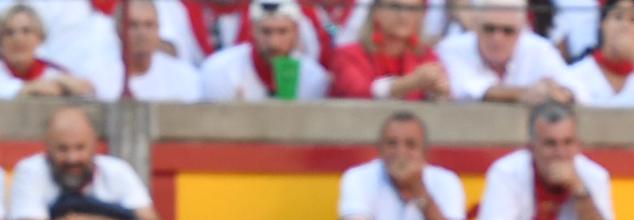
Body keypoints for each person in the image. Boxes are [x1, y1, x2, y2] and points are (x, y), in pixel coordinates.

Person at [8, 106, 164, 220]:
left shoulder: (118, 171)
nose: (72, 158)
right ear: (47, 148)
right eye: (63, 149)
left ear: (95, 145)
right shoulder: (31, 170)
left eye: (80, 147)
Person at [478, 100, 616, 220]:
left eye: (568, 143)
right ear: (531, 147)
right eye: (550, 144)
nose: (561, 154)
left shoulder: (594, 175)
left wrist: (580, 190)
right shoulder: (506, 172)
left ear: (578, 145)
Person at [337, 112, 466, 220]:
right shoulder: (358, 177)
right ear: (379, 149)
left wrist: (418, 188)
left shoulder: (447, 181)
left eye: (410, 145)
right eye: (392, 144)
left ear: (425, 151)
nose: (400, 153)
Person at [436, 0, 571, 104]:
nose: (497, 38)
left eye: (507, 31)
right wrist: (524, 94)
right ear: (475, 26)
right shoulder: (450, 48)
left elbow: (574, 88)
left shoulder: (539, 48)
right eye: (489, 29)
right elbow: (467, 90)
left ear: (521, 31)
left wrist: (558, 94)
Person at [199, 0, 332, 99]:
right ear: (253, 30)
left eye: (282, 32)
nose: (273, 43)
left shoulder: (313, 77)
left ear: (295, 32)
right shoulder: (220, 69)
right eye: (266, 32)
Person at [330, 0, 451, 99]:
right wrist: (410, 83)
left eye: (413, 9)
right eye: (395, 6)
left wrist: (439, 93)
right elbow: (358, 92)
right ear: (376, 11)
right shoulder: (347, 55)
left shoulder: (426, 56)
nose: (403, 15)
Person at [559, 0, 634, 106]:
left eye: (633, 20)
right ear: (602, 23)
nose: (625, 25)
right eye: (618, 17)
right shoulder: (577, 74)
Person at [0, 4, 97, 98]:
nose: (18, 39)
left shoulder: (53, 73)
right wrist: (30, 89)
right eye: (9, 32)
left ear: (40, 37)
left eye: (26, 31)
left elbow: (87, 91)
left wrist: (67, 86)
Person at [121, 0, 203, 102]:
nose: (142, 33)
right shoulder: (98, 77)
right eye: (133, 25)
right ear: (118, 29)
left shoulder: (186, 78)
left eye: (149, 25)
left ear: (158, 28)